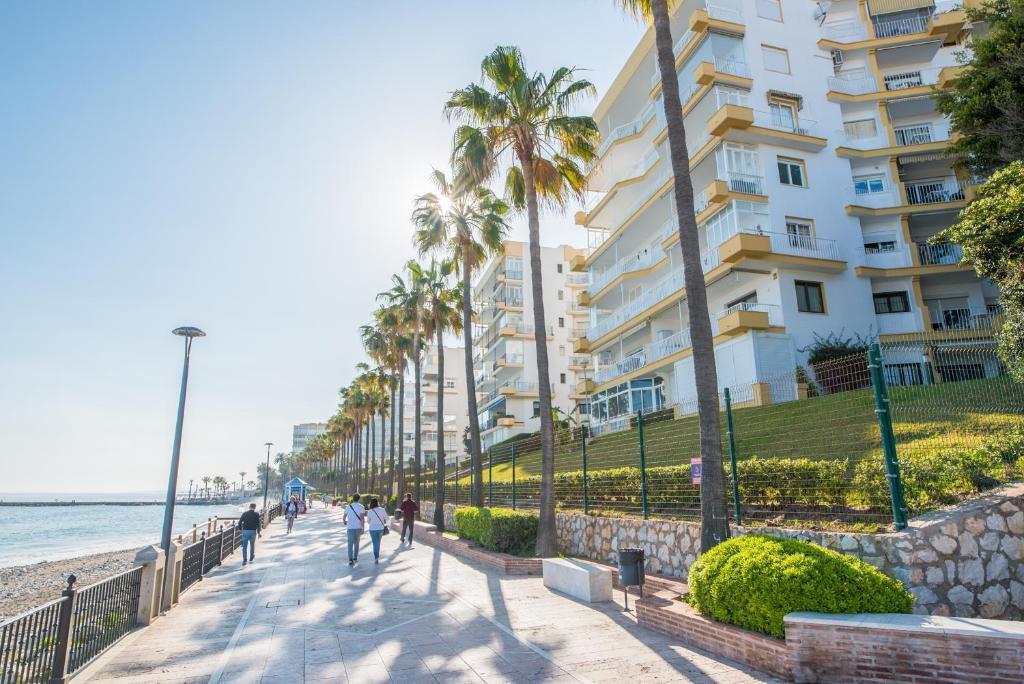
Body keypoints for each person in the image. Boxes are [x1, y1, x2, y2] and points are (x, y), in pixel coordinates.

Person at [343, 493, 366, 566]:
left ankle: (350, 559)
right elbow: (362, 519)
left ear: (353, 498)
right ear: (359, 499)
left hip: (350, 527)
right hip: (358, 528)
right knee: (356, 543)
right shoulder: (361, 507)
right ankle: (355, 557)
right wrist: (363, 528)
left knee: (350, 544)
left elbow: (344, 516)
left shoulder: (348, 506)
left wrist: (344, 521)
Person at [366, 497, 390, 564]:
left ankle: (376, 557)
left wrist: (373, 522)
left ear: (371, 503)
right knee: (378, 542)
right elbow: (387, 519)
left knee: (375, 543)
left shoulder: (370, 511)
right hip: (380, 529)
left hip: (372, 529)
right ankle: (377, 556)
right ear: (377, 503)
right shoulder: (382, 509)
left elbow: (368, 521)